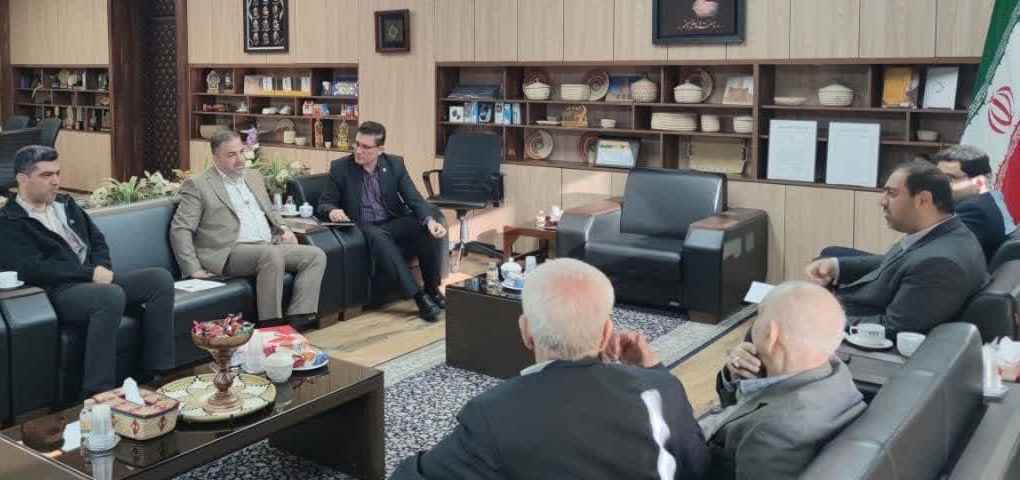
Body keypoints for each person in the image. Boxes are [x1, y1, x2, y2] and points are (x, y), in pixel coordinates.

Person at [389, 259, 710, 479]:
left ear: (525, 332)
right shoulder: (664, 389)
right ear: (605, 334)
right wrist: (655, 370)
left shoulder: (494, 414)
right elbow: (701, 467)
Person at [0, 145, 175, 396]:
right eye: (46, 175)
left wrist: (102, 268)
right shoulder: (8, 222)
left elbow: (97, 241)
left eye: (57, 173)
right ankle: (97, 392)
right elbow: (33, 268)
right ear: (22, 179)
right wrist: (89, 275)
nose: (55, 181)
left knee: (159, 280)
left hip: (93, 280)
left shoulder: (66, 205)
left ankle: (156, 374)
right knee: (110, 296)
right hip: (57, 292)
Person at [804, 160, 989, 338]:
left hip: (853, 328)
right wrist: (836, 266)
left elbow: (894, 327)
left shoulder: (941, 264)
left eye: (892, 194)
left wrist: (823, 319)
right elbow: (897, 263)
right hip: (851, 308)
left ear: (923, 200)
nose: (882, 201)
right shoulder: (945, 231)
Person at [702, 282, 865, 479]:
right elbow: (740, 409)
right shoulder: (833, 370)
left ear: (771, 336)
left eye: (759, 314)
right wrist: (736, 376)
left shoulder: (774, 434)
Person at [170, 131, 326, 327]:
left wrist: (284, 228)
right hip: (229, 251)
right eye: (231, 155)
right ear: (216, 158)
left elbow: (270, 209)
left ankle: (298, 320)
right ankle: (271, 326)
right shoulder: (199, 185)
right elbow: (180, 229)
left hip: (268, 245)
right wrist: (193, 268)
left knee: (315, 255)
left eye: (241, 152)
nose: (240, 159)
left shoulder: (253, 176)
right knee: (270, 255)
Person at [317, 120, 448, 322]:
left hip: (391, 221)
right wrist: (333, 210)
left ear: (380, 150)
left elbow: (413, 198)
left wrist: (430, 221)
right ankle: (419, 297)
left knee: (425, 225)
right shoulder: (341, 168)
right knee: (378, 237)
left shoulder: (395, 164)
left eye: (365, 147)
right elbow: (324, 203)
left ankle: (432, 289)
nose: (358, 151)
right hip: (363, 226)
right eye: (357, 144)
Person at [933, 145, 1015, 261]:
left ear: (979, 182)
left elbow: (934, 250)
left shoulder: (973, 210)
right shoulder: (991, 199)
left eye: (949, 178)